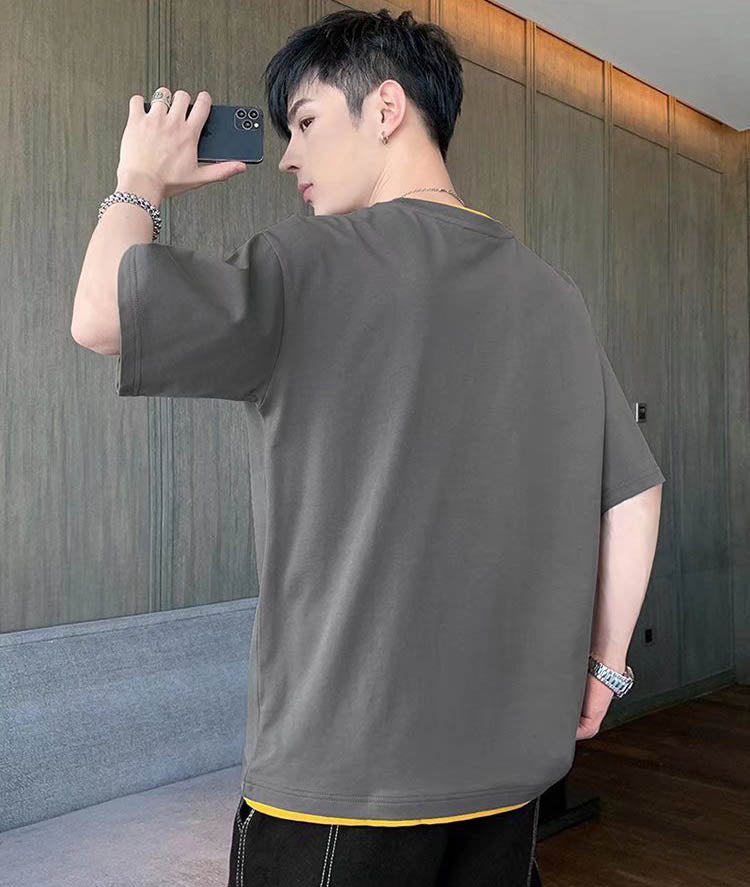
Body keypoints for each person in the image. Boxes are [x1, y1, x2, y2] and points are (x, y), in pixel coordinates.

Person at [73, 8, 664, 886]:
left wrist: (138, 180)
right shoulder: (553, 294)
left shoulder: (307, 263)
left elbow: (99, 316)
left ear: (386, 108)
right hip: (510, 775)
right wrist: (605, 668)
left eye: (306, 122)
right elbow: (635, 492)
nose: (289, 158)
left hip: (341, 784)